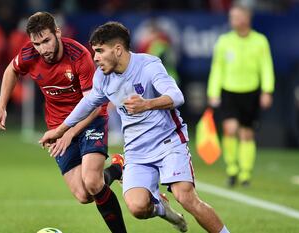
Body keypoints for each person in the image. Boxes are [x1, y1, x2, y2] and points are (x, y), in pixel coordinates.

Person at [40, 21, 230, 233]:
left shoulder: (149, 66)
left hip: (168, 141)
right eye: (94, 52)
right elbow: (88, 103)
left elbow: (177, 96)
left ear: (118, 50)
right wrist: (60, 130)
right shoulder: (102, 76)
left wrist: (147, 103)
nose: (95, 58)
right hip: (136, 151)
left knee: (185, 196)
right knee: (137, 207)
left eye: (100, 51)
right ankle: (162, 208)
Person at [0, 12, 127, 233]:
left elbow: (93, 106)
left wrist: (69, 133)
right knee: (84, 195)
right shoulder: (29, 55)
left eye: (46, 41)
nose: (43, 49)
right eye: (37, 43)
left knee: (92, 182)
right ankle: (118, 168)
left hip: (90, 122)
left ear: (57, 33)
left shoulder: (80, 57)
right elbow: (11, 70)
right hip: (58, 128)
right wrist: (1, 106)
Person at [207, 4, 275, 187]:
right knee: (230, 128)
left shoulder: (260, 41)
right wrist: (213, 92)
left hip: (251, 91)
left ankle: (245, 174)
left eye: (237, 17)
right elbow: (217, 68)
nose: (233, 20)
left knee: (247, 134)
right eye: (232, 17)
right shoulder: (224, 41)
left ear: (247, 18)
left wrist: (267, 90)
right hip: (229, 91)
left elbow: (266, 67)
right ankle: (232, 169)